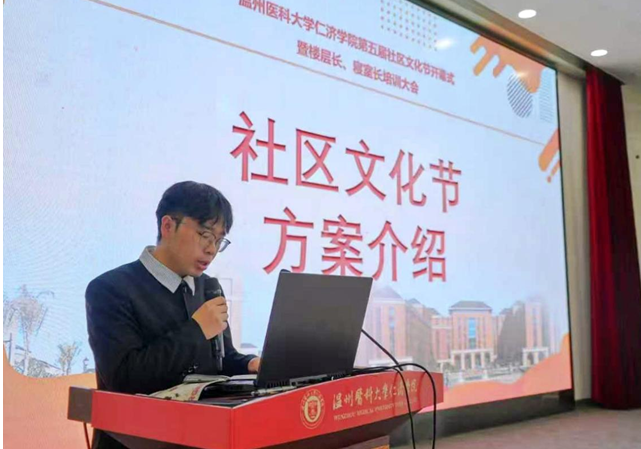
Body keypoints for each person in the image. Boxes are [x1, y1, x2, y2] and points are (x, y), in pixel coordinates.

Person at [86, 181, 259, 449]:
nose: (211, 249)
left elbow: (221, 361)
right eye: (205, 235)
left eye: (219, 240)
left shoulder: (209, 287)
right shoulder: (110, 289)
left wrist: (251, 364)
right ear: (168, 226)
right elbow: (124, 379)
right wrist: (196, 331)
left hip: (201, 438)